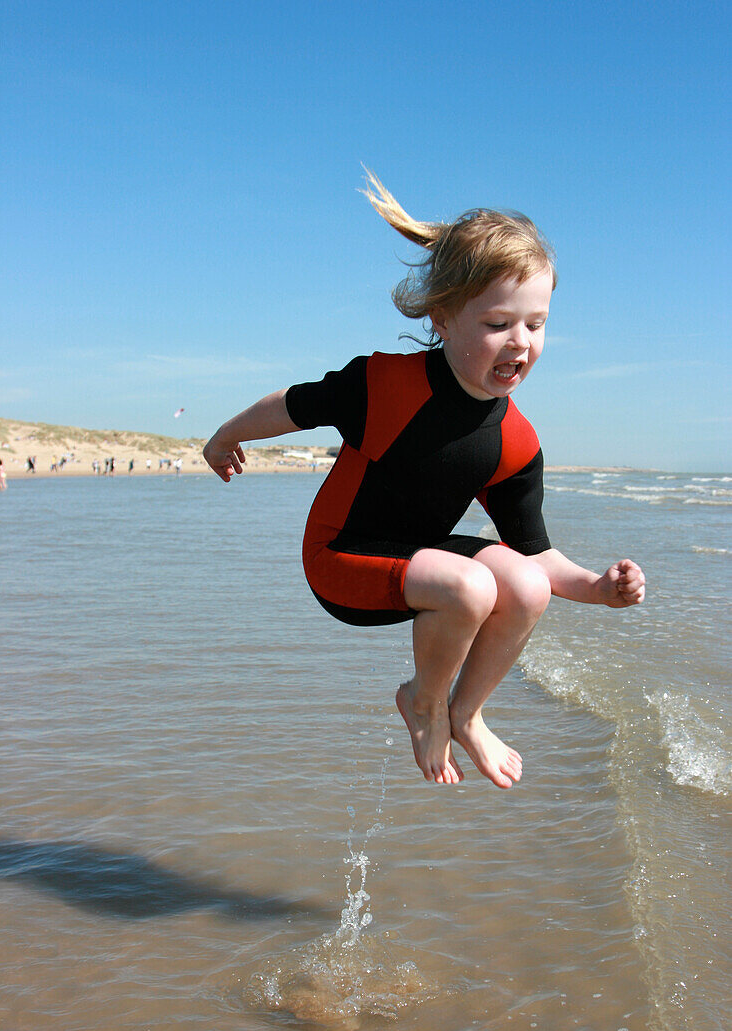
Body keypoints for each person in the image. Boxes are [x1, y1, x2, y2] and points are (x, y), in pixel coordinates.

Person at [204, 171, 645, 787]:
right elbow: (294, 404)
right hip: (340, 560)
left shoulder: (515, 441)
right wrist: (227, 437)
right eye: (498, 324)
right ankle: (424, 700)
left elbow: (535, 553)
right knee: (468, 586)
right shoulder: (385, 385)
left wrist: (598, 587)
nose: (520, 342)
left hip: (420, 566)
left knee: (524, 586)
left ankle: (466, 711)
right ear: (443, 317)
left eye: (536, 324)